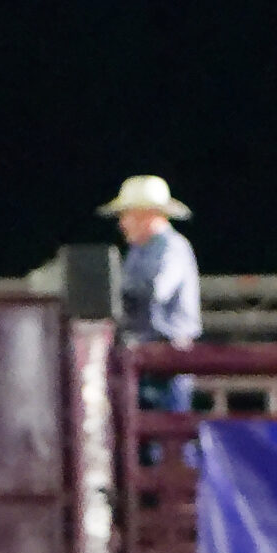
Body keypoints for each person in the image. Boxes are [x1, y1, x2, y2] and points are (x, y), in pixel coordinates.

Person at [102, 174, 202, 414]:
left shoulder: (172, 247)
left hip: (166, 360)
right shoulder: (140, 250)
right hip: (146, 359)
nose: (122, 223)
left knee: (165, 437)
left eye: (126, 215)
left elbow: (155, 291)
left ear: (145, 215)